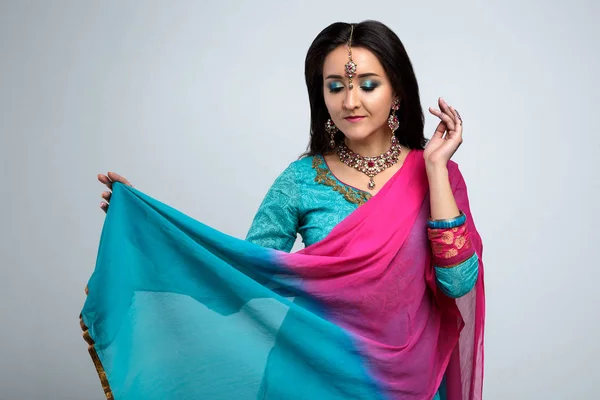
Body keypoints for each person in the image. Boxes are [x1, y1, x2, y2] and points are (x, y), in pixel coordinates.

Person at [94, 20, 484, 400]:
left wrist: (434, 169)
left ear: (396, 90)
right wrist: (148, 229)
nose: (350, 102)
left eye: (367, 85)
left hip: (406, 383)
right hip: (312, 378)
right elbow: (242, 278)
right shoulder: (302, 179)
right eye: (335, 87)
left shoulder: (439, 175)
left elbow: (458, 284)